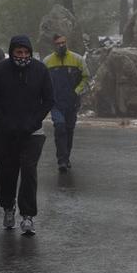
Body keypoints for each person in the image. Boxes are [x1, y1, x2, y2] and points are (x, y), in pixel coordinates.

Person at [0, 35, 54, 235]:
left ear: (30, 53)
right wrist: (2, 120)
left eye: (26, 53)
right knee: (8, 171)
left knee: (29, 170)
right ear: (12, 52)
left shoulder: (40, 70)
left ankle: (28, 216)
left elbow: (49, 99)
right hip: (7, 132)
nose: (22, 56)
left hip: (33, 132)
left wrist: (35, 120)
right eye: (18, 53)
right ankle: (8, 208)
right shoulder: (1, 71)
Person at [44, 34, 89, 173]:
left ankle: (66, 157)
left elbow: (86, 77)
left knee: (69, 130)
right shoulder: (47, 61)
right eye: (58, 43)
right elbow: (41, 80)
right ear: (54, 45)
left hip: (72, 102)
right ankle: (61, 160)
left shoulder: (77, 59)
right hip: (56, 103)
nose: (61, 45)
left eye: (63, 42)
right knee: (60, 127)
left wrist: (77, 91)